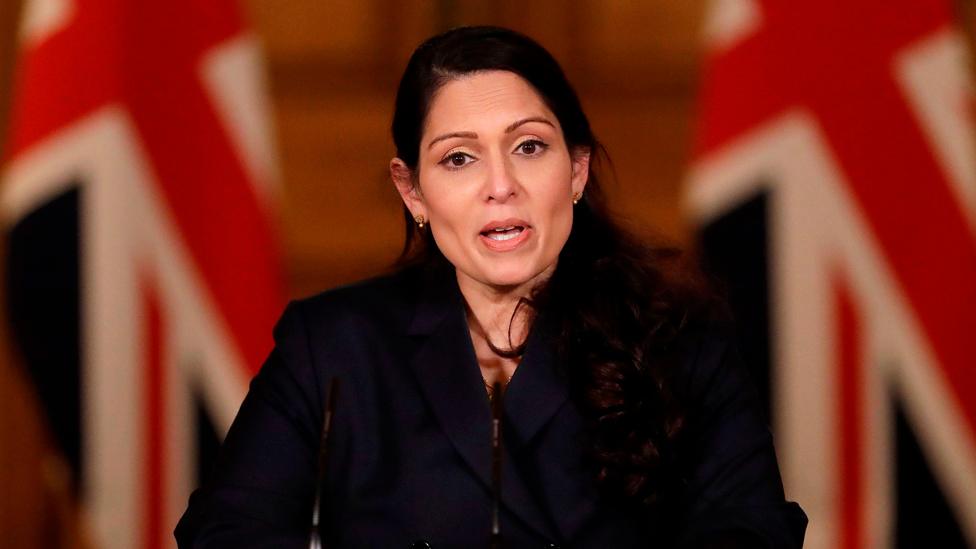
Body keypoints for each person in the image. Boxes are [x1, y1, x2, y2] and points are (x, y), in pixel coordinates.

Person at [176, 26, 807, 548]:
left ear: (577, 170)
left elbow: (753, 535)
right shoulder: (333, 347)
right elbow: (225, 534)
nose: (500, 184)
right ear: (412, 190)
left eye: (530, 147)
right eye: (459, 158)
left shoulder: (681, 343)